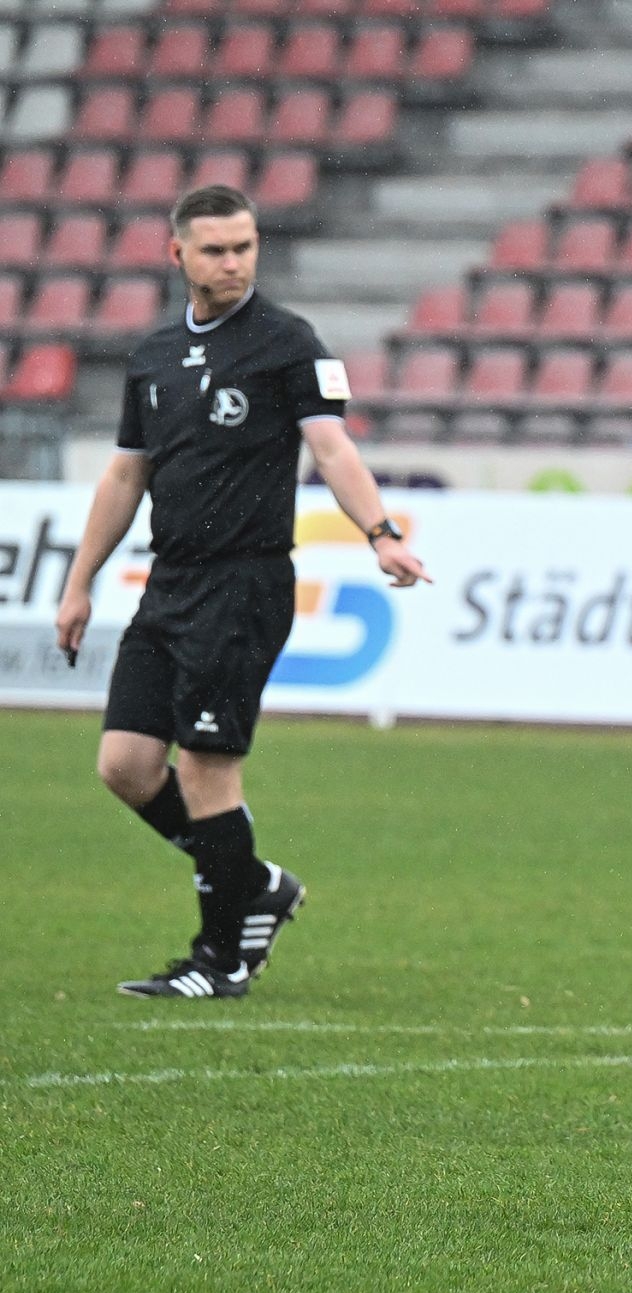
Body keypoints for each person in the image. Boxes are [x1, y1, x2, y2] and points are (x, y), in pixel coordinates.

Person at [54, 185, 430, 1000]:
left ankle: (222, 956)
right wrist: (79, 582)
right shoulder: (152, 356)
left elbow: (331, 448)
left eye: (245, 247)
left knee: (205, 771)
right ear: (177, 253)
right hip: (170, 583)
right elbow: (126, 473)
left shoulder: (287, 343)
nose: (233, 262)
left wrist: (381, 532)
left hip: (246, 583)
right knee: (123, 765)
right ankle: (254, 881)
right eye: (217, 248)